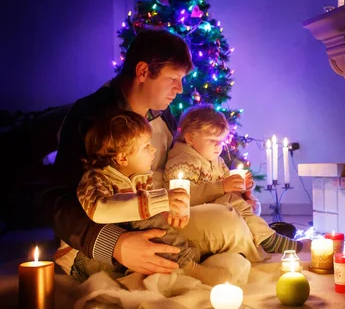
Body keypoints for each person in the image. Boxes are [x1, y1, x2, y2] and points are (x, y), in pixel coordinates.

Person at [48, 29, 262, 279]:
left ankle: (195, 258)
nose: (180, 89)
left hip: (159, 216)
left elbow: (191, 161)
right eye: (173, 78)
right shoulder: (92, 117)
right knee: (223, 232)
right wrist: (117, 244)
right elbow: (58, 199)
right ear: (143, 72)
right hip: (104, 229)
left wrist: (229, 189)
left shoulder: (164, 115)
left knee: (229, 220)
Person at [54, 110, 249, 286]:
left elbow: (145, 212)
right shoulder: (97, 178)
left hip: (125, 243)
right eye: (146, 146)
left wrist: (167, 212)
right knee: (147, 223)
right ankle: (187, 267)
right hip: (84, 257)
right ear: (122, 158)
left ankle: (176, 262)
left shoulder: (140, 178)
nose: (154, 150)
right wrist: (159, 201)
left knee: (154, 225)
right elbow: (100, 211)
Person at [164, 104, 309, 258]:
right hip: (191, 217)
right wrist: (222, 187)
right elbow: (183, 197)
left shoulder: (217, 161)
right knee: (232, 201)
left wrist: (244, 191)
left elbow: (228, 188)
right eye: (213, 140)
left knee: (239, 202)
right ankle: (269, 239)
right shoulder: (183, 161)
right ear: (190, 138)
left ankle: (265, 237)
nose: (218, 146)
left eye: (221, 141)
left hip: (217, 211)